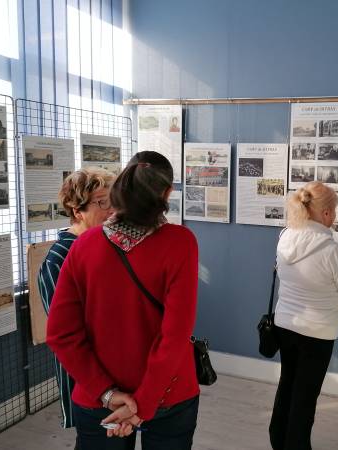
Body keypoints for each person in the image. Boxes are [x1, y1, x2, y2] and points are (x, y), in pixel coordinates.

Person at [46, 151, 200, 450]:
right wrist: (141, 404)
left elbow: (60, 334)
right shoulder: (181, 243)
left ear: (121, 188)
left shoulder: (83, 246)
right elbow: (174, 336)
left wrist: (106, 394)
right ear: (167, 192)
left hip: (98, 396)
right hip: (168, 392)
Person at [270, 181, 338, 450]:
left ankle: (278, 439)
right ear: (328, 213)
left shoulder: (285, 237)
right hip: (317, 334)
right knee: (305, 397)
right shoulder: (331, 251)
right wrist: (336, 306)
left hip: (285, 325)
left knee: (287, 385)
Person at [38, 167, 115, 449]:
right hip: (90, 379)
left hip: (116, 373)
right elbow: (65, 334)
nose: (111, 210)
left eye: (114, 201)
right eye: (102, 202)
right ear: (77, 209)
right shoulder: (58, 259)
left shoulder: (104, 246)